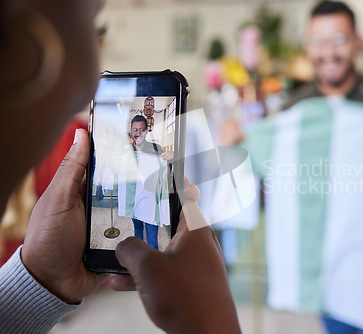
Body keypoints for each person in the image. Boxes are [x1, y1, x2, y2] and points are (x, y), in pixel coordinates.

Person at [0, 1, 241, 333]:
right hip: (130, 203)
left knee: (145, 231)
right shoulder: (122, 148)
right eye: (92, 21)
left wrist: (41, 278)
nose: (92, 76)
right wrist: (213, 323)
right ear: (30, 44)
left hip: (145, 205)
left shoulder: (153, 148)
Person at [220, 2, 363, 334]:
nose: (328, 52)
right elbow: (266, 174)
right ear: (307, 47)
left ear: (358, 42)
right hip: (330, 278)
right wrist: (242, 143)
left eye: (339, 39)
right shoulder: (295, 109)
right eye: (319, 41)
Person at [119, 114, 170, 249]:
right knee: (137, 229)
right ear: (131, 131)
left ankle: (152, 263)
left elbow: (164, 172)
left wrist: (172, 156)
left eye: (141, 129)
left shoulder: (156, 149)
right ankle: (139, 255)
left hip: (150, 202)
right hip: (133, 200)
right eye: (135, 130)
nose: (138, 133)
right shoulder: (125, 151)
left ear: (146, 131)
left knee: (152, 236)